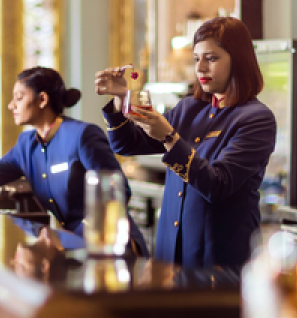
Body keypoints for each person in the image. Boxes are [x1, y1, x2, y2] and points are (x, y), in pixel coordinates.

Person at [94, 17, 276, 269]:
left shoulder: (256, 118)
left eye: (211, 58)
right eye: (196, 59)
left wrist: (169, 137)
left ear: (238, 60)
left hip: (218, 260)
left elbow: (217, 184)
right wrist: (119, 100)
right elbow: (127, 145)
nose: (200, 68)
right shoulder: (188, 108)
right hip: (169, 254)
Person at [0, 66, 149, 257]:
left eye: (19, 98)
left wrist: (72, 239)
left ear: (42, 100)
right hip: (72, 249)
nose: (12, 105)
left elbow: (117, 193)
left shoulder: (82, 136)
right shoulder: (26, 144)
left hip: (115, 250)